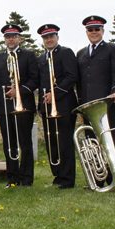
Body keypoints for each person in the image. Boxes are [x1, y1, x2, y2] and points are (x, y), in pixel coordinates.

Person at [76, 15, 115, 184]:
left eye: (97, 29)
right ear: (86, 32)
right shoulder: (81, 53)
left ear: (103, 31)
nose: (94, 32)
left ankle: (113, 178)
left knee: (110, 141)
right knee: (91, 142)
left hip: (106, 104)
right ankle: (97, 179)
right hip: (88, 106)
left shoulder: (113, 49)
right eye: (90, 30)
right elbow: (81, 81)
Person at [0, 24, 39, 188]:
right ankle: (12, 178)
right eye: (7, 36)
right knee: (8, 143)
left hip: (23, 105)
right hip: (5, 107)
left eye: (13, 36)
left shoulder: (29, 55)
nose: (10, 39)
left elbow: (34, 79)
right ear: (4, 39)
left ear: (19, 38)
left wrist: (19, 92)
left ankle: (26, 179)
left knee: (25, 144)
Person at [36, 24, 78, 189]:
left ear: (57, 37)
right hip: (47, 106)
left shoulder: (65, 53)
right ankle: (58, 175)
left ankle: (68, 179)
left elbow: (72, 76)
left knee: (64, 141)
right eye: (46, 37)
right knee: (51, 140)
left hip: (64, 104)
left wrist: (56, 94)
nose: (49, 39)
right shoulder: (42, 57)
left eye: (51, 36)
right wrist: (40, 105)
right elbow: (42, 83)